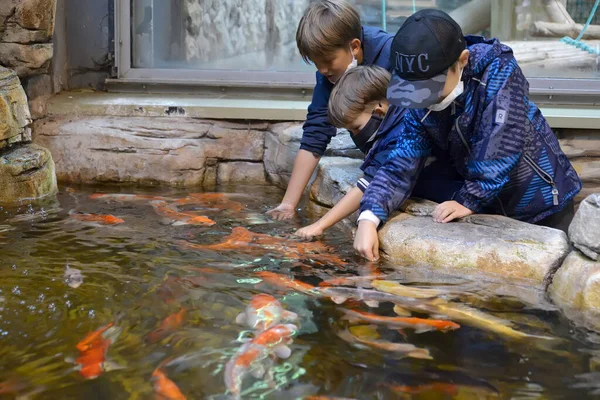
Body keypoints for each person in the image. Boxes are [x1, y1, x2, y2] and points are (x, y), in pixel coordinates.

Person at [353, 9, 582, 261]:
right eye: (413, 88)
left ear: (462, 61)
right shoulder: (419, 104)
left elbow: (501, 138)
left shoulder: (499, 71)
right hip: (490, 206)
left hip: (542, 202)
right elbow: (401, 159)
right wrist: (369, 216)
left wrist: (470, 198)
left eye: (429, 88)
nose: (422, 99)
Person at [266, 0, 395, 221]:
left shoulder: (392, 55)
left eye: (327, 61)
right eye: (316, 63)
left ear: (354, 46)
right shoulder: (329, 73)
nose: (322, 70)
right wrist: (288, 204)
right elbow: (317, 130)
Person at [295, 66, 405, 238]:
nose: (355, 135)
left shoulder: (402, 133)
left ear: (379, 110)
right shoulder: (389, 123)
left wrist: (319, 225)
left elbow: (370, 181)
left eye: (355, 127)